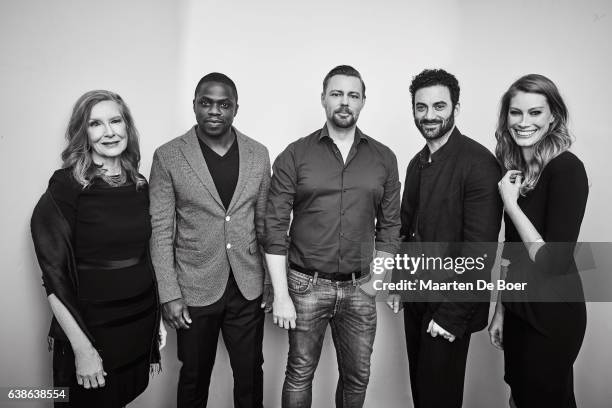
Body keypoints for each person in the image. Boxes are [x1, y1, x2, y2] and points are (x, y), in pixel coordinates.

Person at [265, 65, 401, 408]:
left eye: (353, 95)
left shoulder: (384, 158)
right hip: (305, 284)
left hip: (360, 287)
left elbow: (390, 227)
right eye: (337, 94)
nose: (345, 102)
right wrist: (281, 295)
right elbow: (274, 226)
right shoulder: (295, 155)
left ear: (363, 102)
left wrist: (379, 281)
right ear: (323, 98)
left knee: (357, 377)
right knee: (299, 372)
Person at [30, 90, 164, 407]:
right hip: (91, 334)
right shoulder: (66, 186)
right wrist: (83, 349)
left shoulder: (139, 184)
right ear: (84, 134)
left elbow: (144, 258)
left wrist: (156, 321)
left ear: (127, 127)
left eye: (116, 121)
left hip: (136, 327)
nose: (109, 132)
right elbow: (54, 275)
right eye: (96, 124)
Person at [149, 72, 271, 408]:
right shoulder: (168, 156)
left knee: (250, 373)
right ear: (194, 105)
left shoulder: (259, 154)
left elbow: (264, 224)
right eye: (206, 103)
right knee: (194, 375)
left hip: (247, 286)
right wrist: (169, 294)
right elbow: (160, 231)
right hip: (193, 287)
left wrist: (272, 283)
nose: (214, 111)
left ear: (235, 108)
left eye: (223, 104)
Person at [391, 69, 502, 408]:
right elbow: (406, 229)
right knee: (422, 394)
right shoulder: (416, 163)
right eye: (421, 107)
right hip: (418, 298)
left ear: (456, 107)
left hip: (451, 304)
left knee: (440, 398)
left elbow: (479, 251)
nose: (429, 115)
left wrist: (451, 314)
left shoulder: (479, 163)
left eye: (439, 106)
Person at [488, 74, 589, 408]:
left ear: (553, 117)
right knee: (519, 398)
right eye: (516, 113)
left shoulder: (567, 169)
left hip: (552, 316)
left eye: (534, 113)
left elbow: (553, 262)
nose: (523, 122)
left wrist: (512, 205)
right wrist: (501, 310)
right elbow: (512, 253)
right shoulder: (516, 172)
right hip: (519, 311)